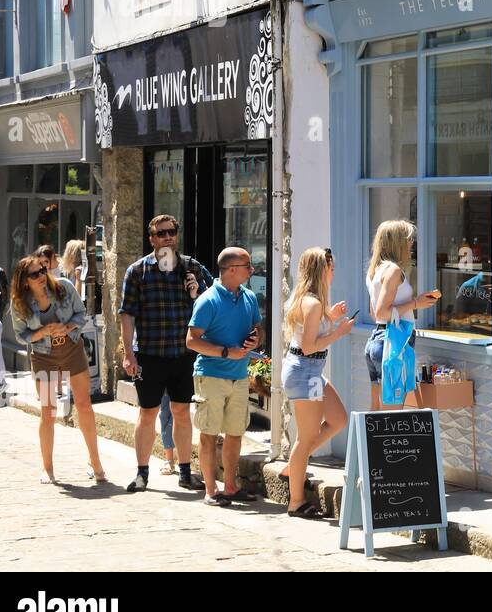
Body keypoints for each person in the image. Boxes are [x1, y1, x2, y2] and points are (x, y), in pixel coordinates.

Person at [120, 214, 213, 493]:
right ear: (152, 239)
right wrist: (128, 354)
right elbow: (127, 314)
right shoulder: (137, 271)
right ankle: (141, 474)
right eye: (161, 233)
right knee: (147, 413)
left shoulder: (191, 267)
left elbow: (213, 301)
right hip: (149, 353)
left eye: (172, 231)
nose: (168, 237)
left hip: (183, 354)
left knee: (182, 412)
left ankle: (185, 472)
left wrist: (197, 293)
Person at [11, 254, 107, 484]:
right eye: (34, 274)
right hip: (44, 357)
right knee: (48, 410)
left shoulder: (63, 287)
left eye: (42, 270)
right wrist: (42, 332)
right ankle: (48, 468)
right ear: (25, 281)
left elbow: (81, 313)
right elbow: (21, 335)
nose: (42, 276)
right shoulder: (20, 304)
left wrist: (67, 327)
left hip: (72, 349)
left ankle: (95, 463)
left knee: (84, 405)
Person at [281, 247, 355, 517]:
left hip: (309, 371)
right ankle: (296, 501)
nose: (334, 273)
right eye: (331, 268)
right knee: (307, 437)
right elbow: (311, 346)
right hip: (306, 372)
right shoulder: (311, 303)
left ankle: (294, 466)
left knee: (339, 419)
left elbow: (308, 334)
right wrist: (340, 331)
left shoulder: (312, 301)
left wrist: (331, 316)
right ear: (321, 271)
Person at [186, 247, 263, 506]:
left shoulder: (249, 297)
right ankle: (211, 490)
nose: (252, 270)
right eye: (247, 266)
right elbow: (191, 341)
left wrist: (254, 341)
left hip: (239, 376)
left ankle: (230, 486)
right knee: (209, 433)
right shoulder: (207, 300)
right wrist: (224, 352)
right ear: (232, 270)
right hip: (211, 375)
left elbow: (257, 330)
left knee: (235, 432)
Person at [365, 221, 439, 412]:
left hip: (378, 340)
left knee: (376, 414)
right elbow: (382, 312)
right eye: (408, 239)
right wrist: (416, 303)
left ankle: (367, 444)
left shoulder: (376, 270)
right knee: (392, 418)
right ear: (397, 242)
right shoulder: (394, 271)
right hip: (393, 345)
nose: (411, 244)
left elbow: (374, 314)